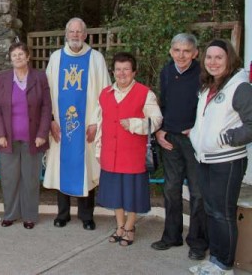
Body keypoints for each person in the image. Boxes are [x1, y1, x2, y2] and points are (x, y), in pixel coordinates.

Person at [188, 39, 252, 275]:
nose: (213, 62)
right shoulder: (208, 86)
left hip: (228, 161)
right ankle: (215, 259)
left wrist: (227, 138)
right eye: (209, 57)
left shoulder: (239, 87)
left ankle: (224, 265)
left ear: (229, 59)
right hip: (205, 159)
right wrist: (197, 134)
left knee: (222, 213)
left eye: (219, 57)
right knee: (211, 210)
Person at [43, 18, 111, 230]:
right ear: (66, 34)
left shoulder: (96, 59)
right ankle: (62, 214)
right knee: (62, 167)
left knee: (86, 168)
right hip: (61, 126)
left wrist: (95, 122)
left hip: (86, 126)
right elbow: (47, 92)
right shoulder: (56, 58)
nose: (74, 35)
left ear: (85, 35)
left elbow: (105, 92)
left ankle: (86, 216)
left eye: (78, 32)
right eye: (71, 31)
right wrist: (52, 120)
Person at [151, 34, 207, 260]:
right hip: (169, 139)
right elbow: (162, 103)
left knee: (197, 192)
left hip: (194, 140)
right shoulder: (166, 72)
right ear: (170, 51)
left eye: (186, 51)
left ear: (195, 53)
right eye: (176, 50)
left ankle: (197, 242)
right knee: (171, 189)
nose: (181, 55)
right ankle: (171, 235)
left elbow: (209, 108)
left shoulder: (204, 74)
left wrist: (198, 130)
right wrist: (159, 129)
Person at [97, 52, 162, 246]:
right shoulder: (105, 93)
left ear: (134, 72)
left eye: (126, 69)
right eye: (118, 69)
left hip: (133, 154)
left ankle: (130, 227)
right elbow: (99, 122)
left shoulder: (145, 93)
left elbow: (156, 120)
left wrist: (134, 124)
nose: (122, 73)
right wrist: (98, 150)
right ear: (113, 72)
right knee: (116, 192)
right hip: (111, 152)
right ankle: (119, 225)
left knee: (132, 193)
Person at [0, 41, 51, 229]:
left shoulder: (40, 77)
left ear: (28, 57)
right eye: (14, 55)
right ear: (10, 58)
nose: (18, 57)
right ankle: (10, 214)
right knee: (9, 179)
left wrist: (42, 132)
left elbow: (46, 107)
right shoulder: (2, 79)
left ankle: (30, 216)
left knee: (30, 179)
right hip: (7, 138)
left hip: (34, 138)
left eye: (21, 54)